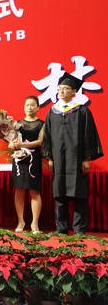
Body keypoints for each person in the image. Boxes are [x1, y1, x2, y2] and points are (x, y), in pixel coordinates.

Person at [42, 73, 103, 235]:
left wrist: (86, 158)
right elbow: (47, 136)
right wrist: (49, 157)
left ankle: (79, 229)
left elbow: (88, 135)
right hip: (58, 159)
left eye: (66, 89)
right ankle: (61, 228)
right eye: (60, 89)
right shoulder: (52, 112)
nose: (61, 91)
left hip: (76, 159)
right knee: (59, 193)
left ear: (74, 92)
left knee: (79, 194)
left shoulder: (82, 111)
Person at [8, 96, 44, 233]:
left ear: (38, 107)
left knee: (34, 191)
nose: (29, 107)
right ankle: (21, 221)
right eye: (27, 105)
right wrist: (11, 144)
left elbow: (40, 142)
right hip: (19, 159)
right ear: (24, 107)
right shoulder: (17, 124)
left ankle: (35, 223)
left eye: (32, 105)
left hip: (34, 159)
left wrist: (22, 144)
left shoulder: (42, 124)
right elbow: (12, 139)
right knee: (19, 190)